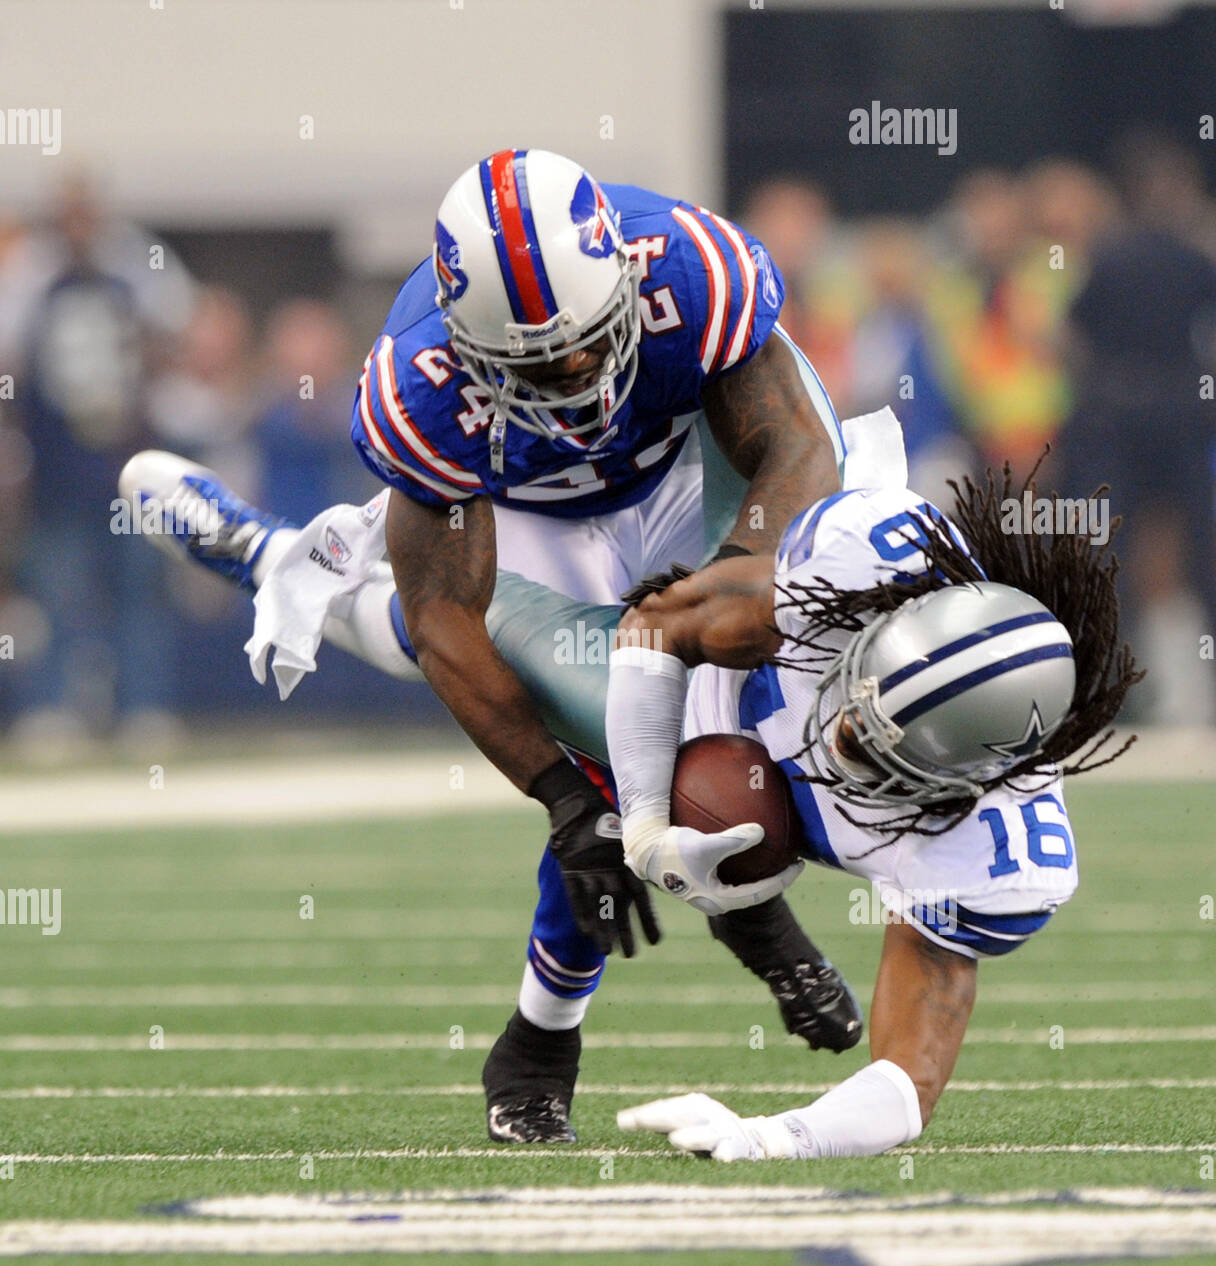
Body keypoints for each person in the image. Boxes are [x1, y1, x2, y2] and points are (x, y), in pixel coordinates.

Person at [120, 146, 856, 1144]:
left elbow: (799, 446)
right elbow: (446, 627)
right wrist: (565, 802)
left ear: (627, 289)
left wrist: (718, 599)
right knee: (611, 736)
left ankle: (768, 908)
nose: (576, 375)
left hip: (698, 470)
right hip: (526, 512)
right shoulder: (418, 387)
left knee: (809, 622)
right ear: (471, 351)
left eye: (591, 344)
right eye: (537, 363)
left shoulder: (690, 269)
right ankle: (549, 1032)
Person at [606, 471, 1140, 1160]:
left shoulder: (991, 846)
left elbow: (907, 1084)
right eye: (862, 706)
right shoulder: (856, 576)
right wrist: (644, 824)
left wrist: (775, 1137)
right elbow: (653, 626)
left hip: (773, 778)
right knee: (574, 775)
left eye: (880, 749)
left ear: (968, 779)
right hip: (697, 660)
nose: (841, 737)